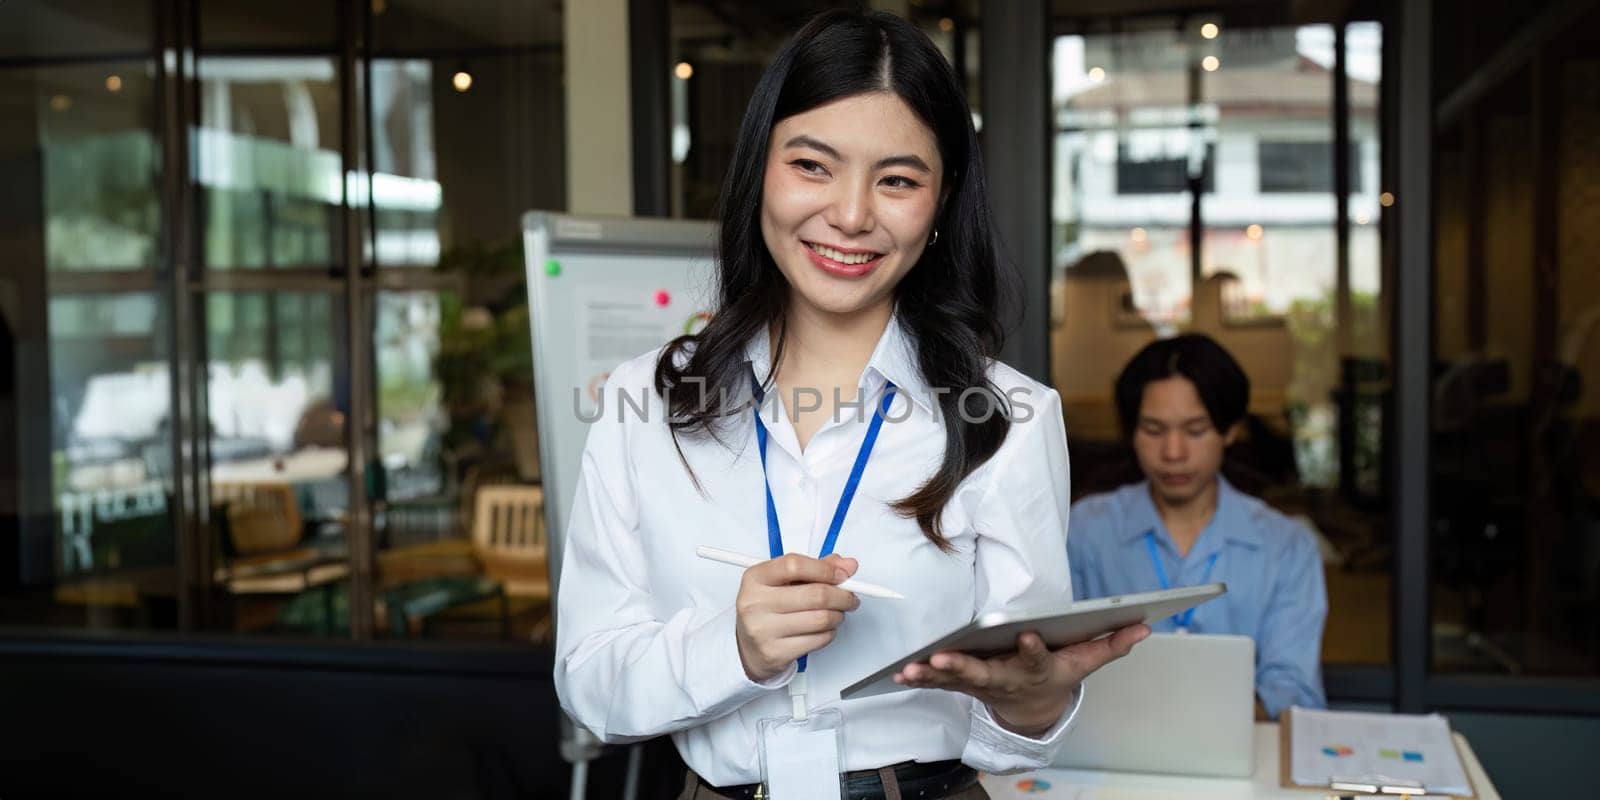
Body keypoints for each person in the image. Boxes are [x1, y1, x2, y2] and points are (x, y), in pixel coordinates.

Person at [554, 10, 1146, 799]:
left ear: (940, 206)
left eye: (898, 180)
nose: (852, 214)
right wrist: (732, 649)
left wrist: (1034, 710)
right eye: (813, 166)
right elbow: (589, 684)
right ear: (758, 172)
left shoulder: (1009, 416)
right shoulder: (645, 405)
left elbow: (1015, 711)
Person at [1067, 334, 1327, 720]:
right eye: (1154, 431)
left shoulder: (1285, 545)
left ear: (1229, 430)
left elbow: (1291, 688)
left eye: (1195, 430)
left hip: (1242, 748)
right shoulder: (1086, 530)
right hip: (1111, 745)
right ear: (1131, 433)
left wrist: (1212, 725)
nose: (1174, 453)